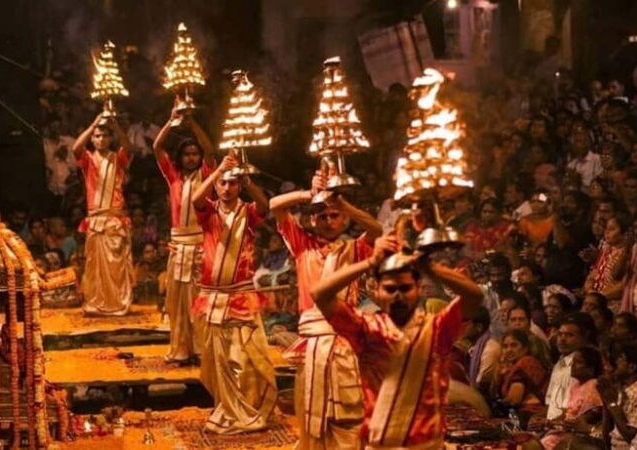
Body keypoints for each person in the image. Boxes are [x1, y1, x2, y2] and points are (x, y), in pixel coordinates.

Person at [312, 235, 484, 448]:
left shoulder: (439, 328)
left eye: (405, 289)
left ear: (418, 288)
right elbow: (320, 294)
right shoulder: (366, 329)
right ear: (377, 291)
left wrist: (428, 266)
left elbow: (474, 296)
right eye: (390, 289)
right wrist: (370, 262)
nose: (397, 296)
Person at [270, 167, 381, 449]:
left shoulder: (354, 249)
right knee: (309, 415)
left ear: (345, 219)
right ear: (312, 219)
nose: (329, 221)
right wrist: (310, 194)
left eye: (335, 215)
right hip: (311, 343)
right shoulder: (302, 246)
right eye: (323, 215)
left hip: (345, 344)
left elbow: (377, 230)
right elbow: (274, 206)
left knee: (347, 412)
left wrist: (341, 201)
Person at [191, 154, 276, 434]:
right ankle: (226, 409)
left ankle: (245, 411)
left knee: (242, 358)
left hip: (240, 295)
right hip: (212, 296)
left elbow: (266, 205)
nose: (226, 188)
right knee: (217, 361)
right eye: (222, 184)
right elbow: (195, 199)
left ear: (239, 186)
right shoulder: (209, 211)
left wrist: (247, 180)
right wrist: (218, 171)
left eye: (232, 184)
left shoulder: (248, 213)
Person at [153, 98, 216, 363]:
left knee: (199, 298)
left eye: (195, 154)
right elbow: (157, 147)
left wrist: (193, 125)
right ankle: (181, 348)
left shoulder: (207, 174)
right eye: (187, 154)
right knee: (178, 301)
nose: (191, 157)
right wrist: (171, 121)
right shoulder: (173, 176)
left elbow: (211, 150)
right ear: (180, 157)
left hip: (201, 244)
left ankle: (201, 349)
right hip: (178, 244)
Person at [73, 113, 135, 317]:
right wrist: (93, 124)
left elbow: (130, 148)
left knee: (115, 265)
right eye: (97, 136)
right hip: (96, 219)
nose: (101, 139)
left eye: (105, 136)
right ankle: (97, 303)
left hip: (114, 219)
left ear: (110, 138)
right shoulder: (88, 159)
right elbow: (75, 149)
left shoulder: (118, 158)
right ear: (92, 138)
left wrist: (115, 126)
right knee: (95, 266)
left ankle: (117, 304)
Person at [540, 346, 604, 449]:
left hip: (581, 434)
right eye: (573, 362)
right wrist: (546, 422)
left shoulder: (593, 386)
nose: (573, 366)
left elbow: (587, 417)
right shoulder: (575, 384)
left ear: (590, 368)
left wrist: (552, 424)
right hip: (566, 430)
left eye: (579, 362)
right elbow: (567, 413)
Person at [491, 329, 548, 424]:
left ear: (525, 348)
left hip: (530, 416)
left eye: (514, 345)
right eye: (505, 346)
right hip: (517, 415)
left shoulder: (526, 362)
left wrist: (496, 403)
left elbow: (514, 400)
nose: (509, 350)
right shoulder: (510, 367)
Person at [545, 313, 595, 420]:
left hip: (566, 425)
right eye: (560, 334)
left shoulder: (579, 368)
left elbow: (571, 409)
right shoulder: (559, 364)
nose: (562, 339)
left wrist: (550, 424)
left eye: (569, 335)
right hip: (550, 423)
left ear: (583, 338)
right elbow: (550, 402)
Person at [599, 342, 637, 450]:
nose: (616, 362)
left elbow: (631, 437)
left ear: (632, 367)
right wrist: (606, 400)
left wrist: (612, 403)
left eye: (621, 359)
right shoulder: (620, 389)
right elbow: (606, 437)